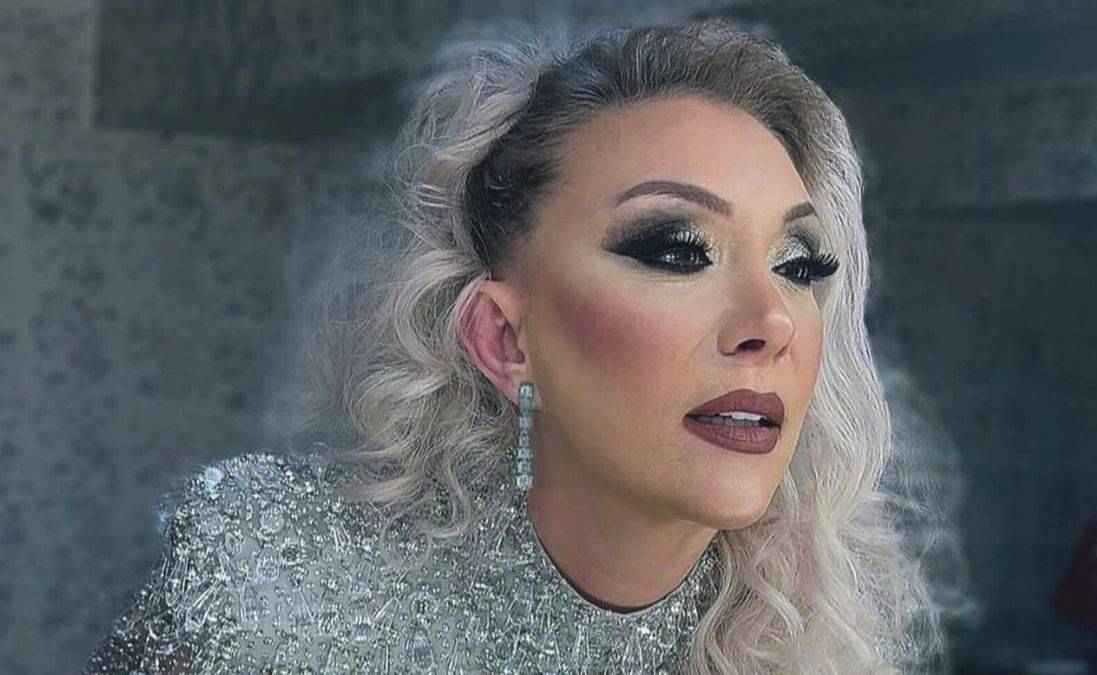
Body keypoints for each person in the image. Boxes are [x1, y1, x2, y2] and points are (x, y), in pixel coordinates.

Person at [85, 17, 950, 674]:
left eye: (799, 265)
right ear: (503, 337)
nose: (773, 320)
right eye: (677, 250)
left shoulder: (827, 638)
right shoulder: (262, 584)